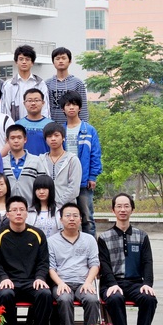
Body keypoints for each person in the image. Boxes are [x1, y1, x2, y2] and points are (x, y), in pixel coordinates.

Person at [97, 193, 158, 325]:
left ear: (132, 209)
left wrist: (147, 284)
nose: (122, 209)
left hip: (136, 283)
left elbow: (147, 262)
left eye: (126, 206)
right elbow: (104, 265)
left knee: (149, 299)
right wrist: (112, 284)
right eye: (119, 206)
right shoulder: (104, 237)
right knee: (115, 298)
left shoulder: (142, 236)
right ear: (113, 210)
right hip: (112, 283)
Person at [0, 195, 53, 325]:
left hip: (31, 281)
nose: (18, 213)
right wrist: (3, 277)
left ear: (27, 213)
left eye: (22, 210)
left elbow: (43, 261)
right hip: (9, 281)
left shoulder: (37, 234)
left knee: (45, 294)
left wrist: (40, 277)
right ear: (8, 214)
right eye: (14, 210)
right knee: (5, 294)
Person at [48, 202, 100, 325]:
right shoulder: (52, 241)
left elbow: (94, 264)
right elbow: (51, 267)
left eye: (75, 216)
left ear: (81, 219)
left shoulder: (89, 239)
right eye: (68, 215)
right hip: (62, 282)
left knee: (92, 299)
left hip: (83, 282)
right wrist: (60, 283)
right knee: (64, 299)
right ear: (61, 219)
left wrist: (88, 282)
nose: (72, 219)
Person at [61, 90, 102, 237]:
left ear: (80, 107)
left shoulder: (89, 130)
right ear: (63, 109)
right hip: (65, 181)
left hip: (84, 181)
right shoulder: (60, 130)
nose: (71, 107)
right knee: (65, 216)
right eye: (68, 105)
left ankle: (91, 247)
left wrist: (92, 176)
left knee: (87, 217)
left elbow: (95, 154)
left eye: (74, 104)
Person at [0, 45, 50, 121]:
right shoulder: (8, 85)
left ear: (32, 62)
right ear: (16, 62)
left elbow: (45, 109)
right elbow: (5, 111)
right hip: (15, 126)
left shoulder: (40, 84)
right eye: (21, 59)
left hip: (37, 126)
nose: (24, 62)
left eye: (27, 59)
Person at [39, 122, 81, 210]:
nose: (53, 139)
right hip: (45, 209)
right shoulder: (40, 160)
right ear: (45, 139)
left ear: (63, 137)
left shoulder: (72, 160)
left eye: (56, 135)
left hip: (67, 208)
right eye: (49, 136)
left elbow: (74, 188)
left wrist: (58, 205)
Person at [3, 124, 47, 204]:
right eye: (12, 138)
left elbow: (43, 185)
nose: (16, 141)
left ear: (25, 139)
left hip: (31, 207)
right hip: (8, 208)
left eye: (19, 138)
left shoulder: (36, 161)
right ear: (7, 140)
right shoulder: (2, 162)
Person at [46, 47, 89, 125]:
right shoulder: (47, 84)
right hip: (53, 126)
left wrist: (84, 126)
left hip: (73, 126)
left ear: (70, 61)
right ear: (53, 62)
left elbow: (83, 108)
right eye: (57, 58)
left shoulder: (77, 83)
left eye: (63, 58)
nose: (61, 61)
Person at [15, 88, 53, 156]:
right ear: (24, 103)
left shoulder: (51, 125)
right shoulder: (17, 125)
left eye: (36, 100)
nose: (33, 103)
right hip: (24, 162)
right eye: (29, 100)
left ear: (43, 103)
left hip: (44, 161)